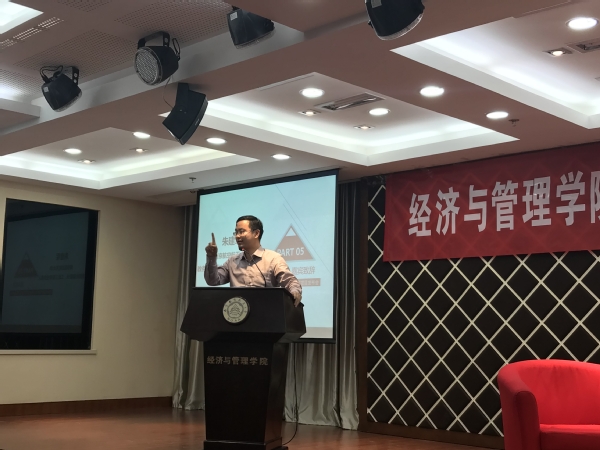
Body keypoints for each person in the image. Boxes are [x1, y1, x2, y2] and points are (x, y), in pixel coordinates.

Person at [204, 215, 303, 306]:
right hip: (237, 313)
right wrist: (211, 257)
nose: (237, 236)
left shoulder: (273, 258)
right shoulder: (232, 261)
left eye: (241, 231)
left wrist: (295, 291)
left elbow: (289, 281)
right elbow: (212, 281)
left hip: (266, 313)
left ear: (256, 233)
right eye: (236, 232)